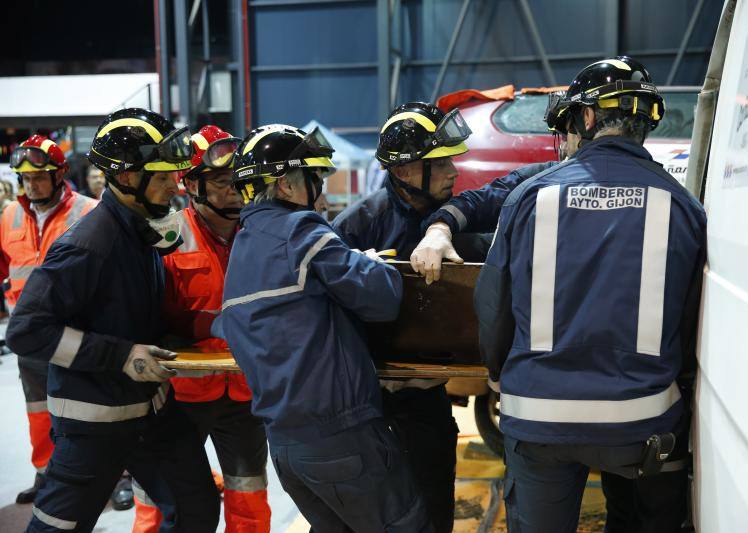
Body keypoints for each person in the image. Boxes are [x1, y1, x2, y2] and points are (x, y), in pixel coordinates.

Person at [472, 56, 706, 532]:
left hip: (538, 420)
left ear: (588, 117)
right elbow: (690, 320)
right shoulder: (683, 206)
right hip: (642, 424)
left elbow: (493, 305)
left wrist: (498, 376)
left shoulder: (529, 199)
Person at [6, 108, 220, 533]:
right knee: (57, 526)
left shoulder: (139, 233)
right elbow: (26, 329)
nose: (173, 184)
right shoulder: (90, 245)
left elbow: (132, 314)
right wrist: (120, 355)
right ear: (125, 178)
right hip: (95, 423)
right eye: (160, 176)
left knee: (195, 506)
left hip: (151, 411)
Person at [221, 123, 432, 532]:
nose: (320, 190)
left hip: (285, 448)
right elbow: (382, 298)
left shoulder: (242, 249)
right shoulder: (302, 231)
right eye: (314, 178)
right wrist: (369, 262)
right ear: (285, 185)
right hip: (342, 437)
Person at [333, 101, 490, 532]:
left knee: (432, 513)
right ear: (403, 172)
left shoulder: (460, 224)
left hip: (426, 402)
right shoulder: (354, 229)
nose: (453, 172)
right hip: (362, 405)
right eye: (439, 163)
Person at [132, 125, 271, 532]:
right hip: (181, 395)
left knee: (249, 491)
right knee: (165, 497)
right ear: (191, 184)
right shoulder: (165, 237)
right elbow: (148, 317)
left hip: (246, 392)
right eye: (224, 181)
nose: (235, 190)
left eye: (240, 181)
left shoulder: (261, 233)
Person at [1, 135, 98, 504]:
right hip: (30, 337)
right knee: (38, 409)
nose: (32, 184)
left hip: (77, 333)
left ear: (59, 174)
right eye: (26, 178)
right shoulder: (9, 215)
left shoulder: (88, 212)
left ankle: (111, 475)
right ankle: (46, 474)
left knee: (89, 409)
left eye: (39, 176)